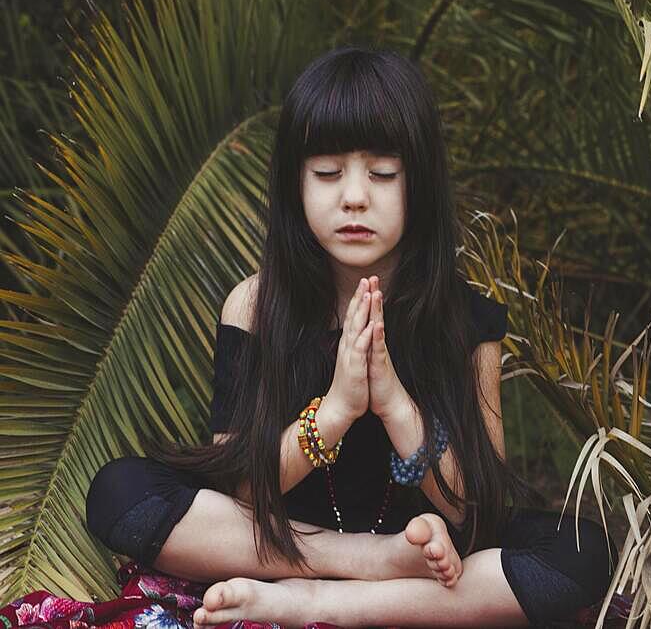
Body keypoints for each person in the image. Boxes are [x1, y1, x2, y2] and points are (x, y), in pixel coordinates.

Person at [85, 44, 615, 628]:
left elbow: (475, 511)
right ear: (296, 186)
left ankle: (320, 602)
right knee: (120, 491)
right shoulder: (257, 306)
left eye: (383, 173)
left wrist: (393, 404)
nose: (354, 196)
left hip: (424, 543)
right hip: (290, 538)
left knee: (582, 553)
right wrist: (335, 410)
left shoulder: (466, 322)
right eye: (328, 173)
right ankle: (368, 567)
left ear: (420, 186)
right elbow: (240, 490)